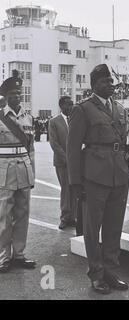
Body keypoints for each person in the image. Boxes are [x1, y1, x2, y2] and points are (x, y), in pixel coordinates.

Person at [67, 64, 129, 294]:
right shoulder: (82, 109)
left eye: (112, 81)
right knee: (93, 229)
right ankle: (96, 274)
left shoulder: (120, 109)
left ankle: (111, 271)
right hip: (94, 175)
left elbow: (124, 142)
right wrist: (75, 182)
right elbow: (73, 148)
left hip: (119, 174)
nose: (110, 85)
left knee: (114, 226)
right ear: (94, 85)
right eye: (105, 82)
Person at [0, 75, 36, 273]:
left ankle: (19, 254)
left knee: (23, 213)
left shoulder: (27, 117)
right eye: (12, 94)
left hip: (23, 169)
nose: (16, 97)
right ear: (4, 96)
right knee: (4, 215)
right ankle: (3, 257)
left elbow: (31, 149)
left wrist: (32, 173)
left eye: (18, 93)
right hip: (4, 171)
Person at [49, 96, 77, 230]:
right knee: (66, 189)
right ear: (62, 106)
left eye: (72, 104)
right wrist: (67, 158)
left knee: (75, 189)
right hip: (62, 162)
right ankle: (65, 217)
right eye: (69, 104)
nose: (71, 107)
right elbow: (54, 143)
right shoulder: (54, 122)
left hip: (76, 162)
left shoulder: (75, 120)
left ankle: (73, 217)